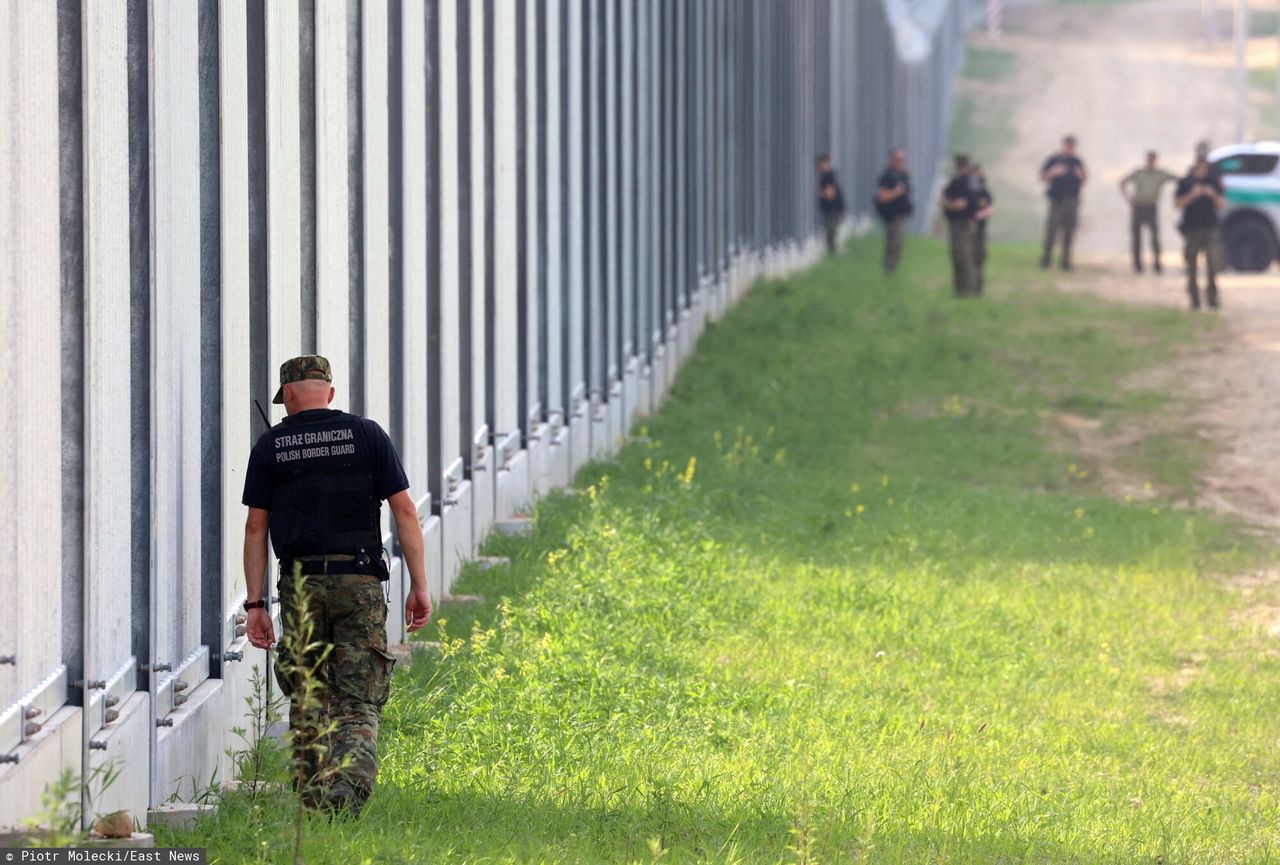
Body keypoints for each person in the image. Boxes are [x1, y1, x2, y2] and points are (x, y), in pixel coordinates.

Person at [241, 355, 432, 817]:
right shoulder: (367, 435)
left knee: (309, 695)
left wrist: (255, 604)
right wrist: (419, 585)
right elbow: (405, 511)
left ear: (287, 396)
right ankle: (349, 787)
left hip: (301, 584)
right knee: (358, 697)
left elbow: (255, 529)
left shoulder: (271, 447)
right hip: (359, 579)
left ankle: (314, 802)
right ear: (329, 392)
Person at [1175, 152, 1226, 310]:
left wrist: (1212, 195)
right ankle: (1194, 299)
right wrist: (1192, 194)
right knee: (1191, 266)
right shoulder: (1186, 182)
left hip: (1210, 228)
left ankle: (1212, 298)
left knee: (1212, 264)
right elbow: (1177, 204)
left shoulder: (1213, 182)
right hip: (1192, 229)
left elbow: (1222, 204)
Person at [1119, 151, 1178, 273]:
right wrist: (1129, 199)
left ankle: (1157, 264)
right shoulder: (1139, 173)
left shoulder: (1160, 174)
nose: (1151, 162)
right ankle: (1137, 265)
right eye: (1149, 159)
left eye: (1153, 160)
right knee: (1137, 238)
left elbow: (1177, 179)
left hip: (1151, 207)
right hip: (1138, 207)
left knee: (1155, 238)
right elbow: (1122, 182)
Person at [1039, 135, 1087, 270]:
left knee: (1069, 232)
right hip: (1056, 200)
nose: (1070, 148)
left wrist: (1080, 175)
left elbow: (1084, 180)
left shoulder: (1077, 161)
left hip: (1072, 201)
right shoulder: (1054, 160)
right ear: (1063, 145)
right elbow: (1042, 177)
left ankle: (1065, 262)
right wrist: (1053, 172)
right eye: (1068, 145)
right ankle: (1046, 260)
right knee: (1051, 231)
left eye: (1072, 146)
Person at [941, 154, 980, 298]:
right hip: (964, 223)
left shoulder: (963, 180)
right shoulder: (968, 180)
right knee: (962, 256)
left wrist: (947, 204)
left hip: (962, 224)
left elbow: (960, 204)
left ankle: (966, 290)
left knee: (963, 257)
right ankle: (963, 289)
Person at [874, 147, 913, 274]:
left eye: (903, 160)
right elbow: (882, 196)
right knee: (894, 244)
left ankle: (890, 270)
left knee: (898, 245)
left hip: (901, 215)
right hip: (892, 216)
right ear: (891, 160)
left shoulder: (904, 175)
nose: (901, 163)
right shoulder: (887, 176)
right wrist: (896, 192)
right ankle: (888, 270)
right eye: (898, 160)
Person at [971, 163, 996, 295]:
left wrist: (982, 213)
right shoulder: (965, 188)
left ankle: (977, 288)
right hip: (966, 229)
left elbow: (991, 208)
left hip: (979, 230)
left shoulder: (984, 191)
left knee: (979, 258)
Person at [815, 153, 846, 255]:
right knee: (830, 232)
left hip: (834, 209)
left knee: (831, 232)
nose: (818, 166)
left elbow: (830, 194)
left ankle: (833, 252)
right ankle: (832, 252)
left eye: (820, 164)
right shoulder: (827, 175)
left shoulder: (828, 176)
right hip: (831, 209)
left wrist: (820, 190)